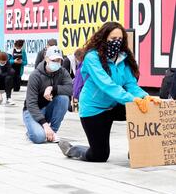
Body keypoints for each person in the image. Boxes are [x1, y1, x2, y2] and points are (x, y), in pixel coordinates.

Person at [58, 22, 160, 162]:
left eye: (119, 39)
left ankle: (138, 150)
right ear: (103, 38)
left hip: (114, 105)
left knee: (146, 109)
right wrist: (133, 100)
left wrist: (145, 97)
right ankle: (72, 150)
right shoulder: (92, 57)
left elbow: (131, 85)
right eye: (112, 39)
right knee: (99, 156)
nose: (116, 43)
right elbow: (107, 85)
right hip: (94, 109)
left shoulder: (123, 59)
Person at [23, 46, 73, 144]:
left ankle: (52, 132)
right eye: (54, 60)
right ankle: (34, 131)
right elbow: (31, 104)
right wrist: (45, 125)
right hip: (33, 110)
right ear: (46, 59)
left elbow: (71, 89)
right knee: (39, 138)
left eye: (59, 60)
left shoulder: (62, 72)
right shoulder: (35, 75)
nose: (57, 63)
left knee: (64, 98)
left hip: (48, 106)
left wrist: (52, 88)